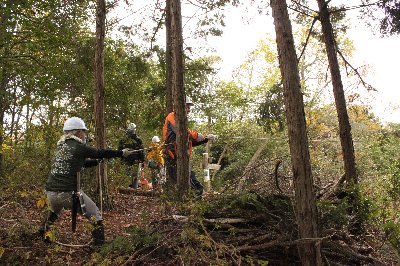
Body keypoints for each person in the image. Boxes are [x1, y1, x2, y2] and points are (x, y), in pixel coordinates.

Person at [40, 117, 137, 246]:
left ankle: (41, 236)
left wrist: (97, 162)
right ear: (78, 132)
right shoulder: (79, 147)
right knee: (95, 214)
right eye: (83, 132)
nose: (84, 134)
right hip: (68, 194)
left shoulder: (61, 147)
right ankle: (99, 246)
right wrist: (121, 153)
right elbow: (99, 152)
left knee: (54, 212)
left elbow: (80, 163)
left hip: (50, 193)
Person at [163, 96, 217, 196]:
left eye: (189, 107)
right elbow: (182, 131)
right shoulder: (172, 117)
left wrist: (206, 138)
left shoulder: (181, 121)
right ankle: (188, 206)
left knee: (192, 183)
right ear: (180, 106)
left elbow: (189, 141)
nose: (189, 110)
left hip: (182, 157)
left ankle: (191, 206)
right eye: (187, 107)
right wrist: (197, 135)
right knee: (187, 185)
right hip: (172, 156)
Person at [118, 123, 145, 189]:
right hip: (133, 161)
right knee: (134, 176)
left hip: (128, 161)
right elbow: (141, 152)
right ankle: (132, 189)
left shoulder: (123, 140)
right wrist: (142, 160)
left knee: (128, 175)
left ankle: (126, 189)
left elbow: (119, 151)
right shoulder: (138, 140)